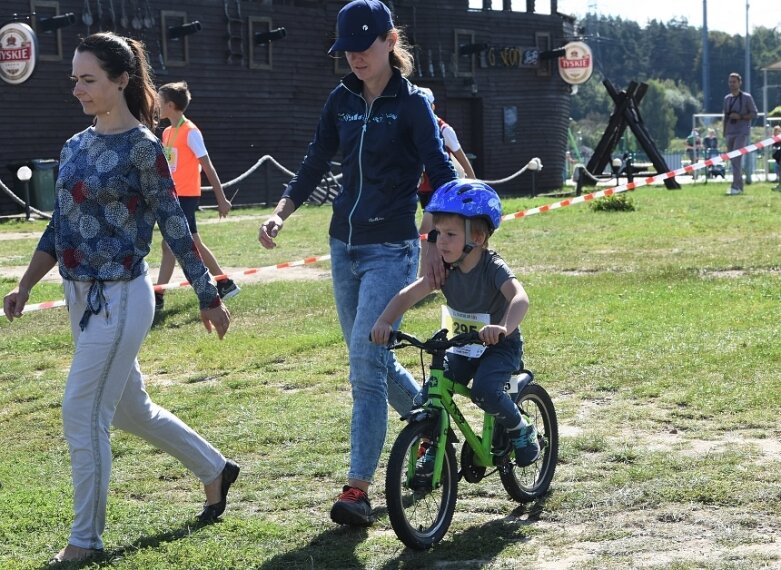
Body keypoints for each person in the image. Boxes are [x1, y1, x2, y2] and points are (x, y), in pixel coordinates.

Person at [2, 33, 239, 564]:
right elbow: (58, 229)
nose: (78, 90)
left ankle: (85, 540)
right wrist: (24, 284)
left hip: (122, 299)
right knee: (132, 411)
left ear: (122, 79)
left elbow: (176, 227)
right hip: (78, 297)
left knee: (81, 414)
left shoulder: (143, 148)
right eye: (75, 81)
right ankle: (216, 470)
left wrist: (208, 294)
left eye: (89, 80)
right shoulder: (74, 146)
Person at [257, 0, 457, 527]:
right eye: (346, 50)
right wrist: (282, 213)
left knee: (364, 371)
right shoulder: (340, 100)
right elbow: (315, 159)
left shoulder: (413, 105)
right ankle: (430, 425)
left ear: (391, 41)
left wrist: (436, 239)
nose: (354, 59)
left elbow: (440, 171)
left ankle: (357, 490)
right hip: (343, 248)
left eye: (364, 48)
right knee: (368, 355)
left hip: (391, 249)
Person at [370, 180, 538, 475]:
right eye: (437, 234)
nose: (441, 242)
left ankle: (521, 429)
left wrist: (503, 327)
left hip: (500, 345)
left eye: (450, 234)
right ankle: (433, 444)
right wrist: (384, 321)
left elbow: (520, 298)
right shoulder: (445, 270)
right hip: (463, 345)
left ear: (479, 236)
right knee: (429, 395)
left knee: (485, 391)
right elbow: (410, 293)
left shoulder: (492, 267)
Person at [154, 81, 239, 314]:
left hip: (187, 196)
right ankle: (224, 283)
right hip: (172, 196)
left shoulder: (191, 132)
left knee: (179, 243)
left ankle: (159, 294)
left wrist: (222, 199)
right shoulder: (168, 132)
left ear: (170, 105)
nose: (157, 107)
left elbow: (208, 167)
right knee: (179, 244)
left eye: (160, 103)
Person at [416, 86, 476, 261]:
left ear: (433, 107)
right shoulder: (413, 128)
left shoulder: (444, 129)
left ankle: (425, 276)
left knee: (425, 231)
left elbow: (461, 157)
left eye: (426, 105)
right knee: (437, 232)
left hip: (442, 188)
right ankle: (445, 267)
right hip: (424, 188)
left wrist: (473, 183)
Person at [722, 72, 758, 195]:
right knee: (732, 160)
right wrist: (724, 132)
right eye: (730, 82)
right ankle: (739, 186)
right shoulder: (727, 98)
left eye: (734, 82)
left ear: (739, 83)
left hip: (741, 132)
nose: (732, 84)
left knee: (736, 159)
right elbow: (725, 116)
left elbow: (754, 114)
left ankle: (735, 186)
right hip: (729, 132)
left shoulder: (747, 97)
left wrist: (741, 116)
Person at [772, 125, 781, 191]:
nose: (776, 132)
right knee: (777, 169)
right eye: (775, 131)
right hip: (777, 157)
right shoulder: (773, 138)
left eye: (778, 131)